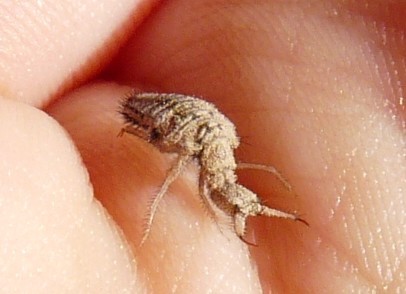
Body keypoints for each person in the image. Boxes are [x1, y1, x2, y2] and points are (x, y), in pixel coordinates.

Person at [1, 1, 404, 292]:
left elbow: (212, 188)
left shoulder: (220, 159)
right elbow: (201, 183)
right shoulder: (214, 155)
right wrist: (153, 211)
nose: (237, 210)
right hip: (166, 117)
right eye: (240, 204)